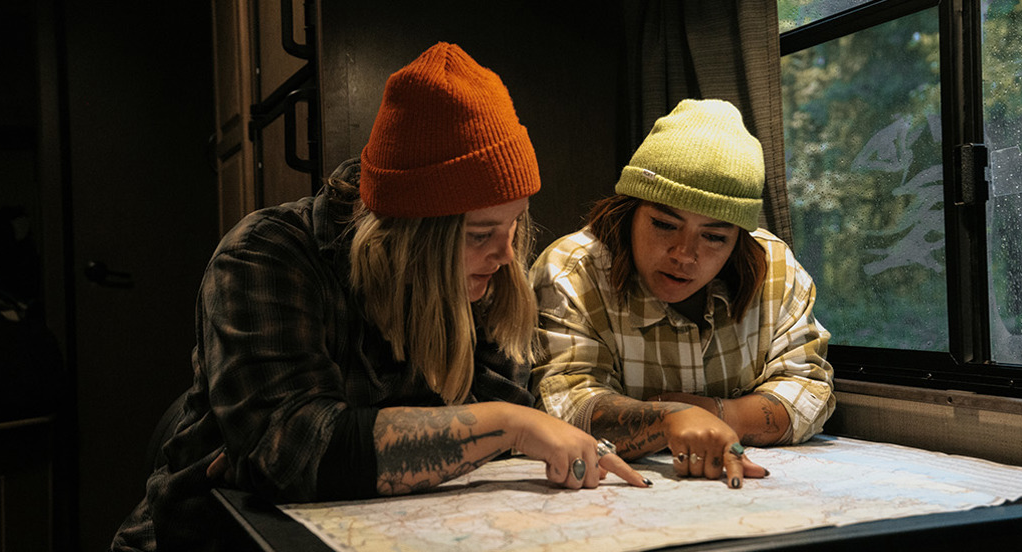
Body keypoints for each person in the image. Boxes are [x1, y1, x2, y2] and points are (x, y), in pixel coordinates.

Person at [111, 42, 648, 552]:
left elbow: (489, 415)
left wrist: (365, 445)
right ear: (411, 236)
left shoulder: (478, 276)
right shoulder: (266, 255)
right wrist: (509, 424)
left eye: (513, 225)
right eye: (480, 234)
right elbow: (295, 453)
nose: (506, 256)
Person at [530, 99, 835, 490]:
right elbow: (561, 402)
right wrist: (668, 420)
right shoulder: (572, 272)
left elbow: (810, 389)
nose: (685, 255)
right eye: (663, 224)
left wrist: (715, 414)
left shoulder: (776, 268)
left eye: (713, 237)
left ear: (739, 239)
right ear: (629, 211)